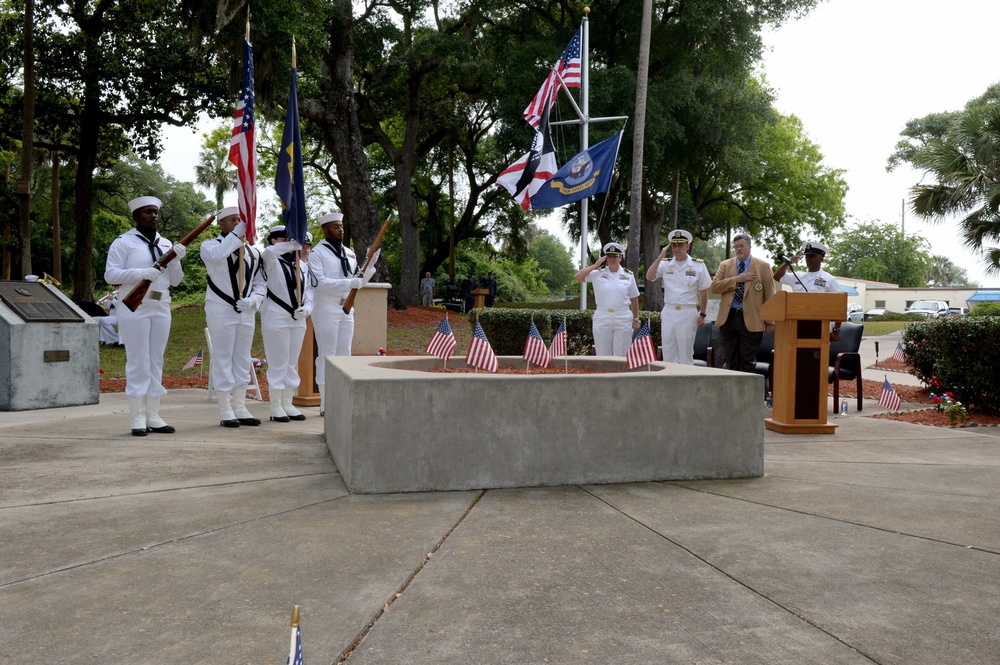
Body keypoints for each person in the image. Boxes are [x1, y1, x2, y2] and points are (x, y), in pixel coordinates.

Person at [104, 196, 186, 436]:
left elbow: (176, 280)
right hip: (134, 305)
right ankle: (137, 416)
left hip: (161, 305)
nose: (154, 216)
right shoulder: (124, 242)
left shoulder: (165, 244)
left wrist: (176, 260)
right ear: (136, 216)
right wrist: (142, 273)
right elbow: (111, 275)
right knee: (138, 360)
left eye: (156, 212)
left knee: (156, 360)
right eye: (148, 212)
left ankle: (154, 414)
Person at [200, 206, 265, 428]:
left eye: (240, 220)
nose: (238, 223)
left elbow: (260, 283)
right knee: (223, 357)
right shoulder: (210, 246)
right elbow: (220, 255)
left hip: (245, 310)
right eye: (233, 220)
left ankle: (240, 406)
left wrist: (253, 300)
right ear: (221, 224)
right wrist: (239, 234)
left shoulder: (254, 253)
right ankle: (225, 409)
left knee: (242, 358)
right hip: (220, 308)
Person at [308, 212, 362, 415]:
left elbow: (356, 278)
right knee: (327, 355)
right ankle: (325, 401)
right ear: (325, 229)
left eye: (341, 226)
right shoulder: (317, 253)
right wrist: (349, 283)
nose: (340, 229)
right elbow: (319, 283)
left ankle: (341, 398)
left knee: (344, 355)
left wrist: (368, 270)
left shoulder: (349, 252)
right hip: (326, 307)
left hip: (347, 307)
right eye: (335, 227)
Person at [260, 226, 315, 422]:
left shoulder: (301, 264)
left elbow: (308, 290)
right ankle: (275, 406)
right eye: (284, 239)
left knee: (292, 362)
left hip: (297, 318)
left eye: (291, 239)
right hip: (276, 315)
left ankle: (288, 402)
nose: (290, 243)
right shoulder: (270, 260)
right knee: (278, 362)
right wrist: (292, 244)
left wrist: (307, 308)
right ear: (274, 240)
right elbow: (268, 252)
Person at [711, 233, 776, 373]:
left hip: (751, 320)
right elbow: (715, 287)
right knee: (730, 359)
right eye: (736, 247)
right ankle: (733, 394)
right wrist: (737, 279)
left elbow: (770, 295)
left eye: (741, 246)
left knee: (747, 361)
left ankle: (748, 393)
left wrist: (770, 321)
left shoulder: (763, 266)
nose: (738, 249)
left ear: (749, 247)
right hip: (728, 319)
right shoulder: (725, 265)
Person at [645, 229, 711, 364]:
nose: (677, 248)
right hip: (669, 311)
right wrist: (660, 256)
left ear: (688, 246)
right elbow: (650, 276)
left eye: (680, 245)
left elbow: (703, 291)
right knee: (668, 353)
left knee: (685, 354)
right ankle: (670, 382)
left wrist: (702, 314)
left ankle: (686, 384)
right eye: (674, 245)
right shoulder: (665, 264)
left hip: (687, 312)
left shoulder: (698, 265)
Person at [574, 242, 640, 356]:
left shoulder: (628, 275)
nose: (612, 259)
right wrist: (595, 265)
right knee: (603, 355)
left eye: (615, 256)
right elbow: (577, 277)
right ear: (606, 258)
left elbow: (634, 298)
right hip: (602, 316)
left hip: (623, 316)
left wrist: (636, 319)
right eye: (609, 256)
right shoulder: (597, 273)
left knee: (621, 355)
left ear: (620, 257)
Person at [773, 240, 843, 339]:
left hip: (819, 327)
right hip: (796, 325)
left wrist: (836, 330)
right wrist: (788, 263)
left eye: (813, 256)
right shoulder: (797, 276)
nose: (809, 259)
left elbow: (838, 305)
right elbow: (777, 277)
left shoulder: (829, 279)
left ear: (821, 258)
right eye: (807, 256)